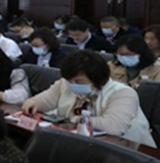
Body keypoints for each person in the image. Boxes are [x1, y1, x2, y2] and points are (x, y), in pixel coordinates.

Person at [22, 51, 156, 147]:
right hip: (81, 143)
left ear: (97, 78)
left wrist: (75, 119)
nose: (71, 84)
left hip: (127, 150)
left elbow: (114, 127)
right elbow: (42, 101)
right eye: (68, 80)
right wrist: (32, 103)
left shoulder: (123, 93)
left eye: (78, 81)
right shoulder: (65, 83)